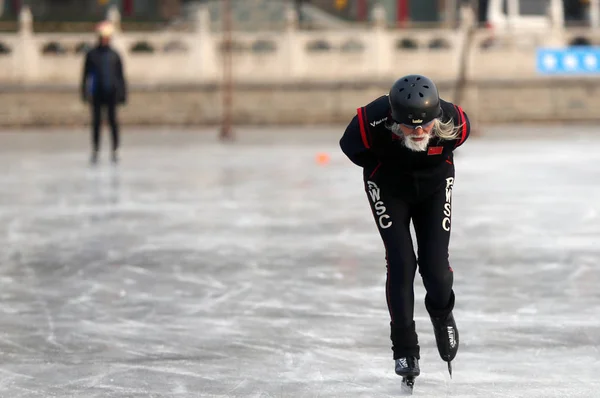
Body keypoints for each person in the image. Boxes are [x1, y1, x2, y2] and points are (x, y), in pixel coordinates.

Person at [339, 74, 470, 385]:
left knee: (435, 269)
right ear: (395, 120)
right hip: (389, 189)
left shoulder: (456, 122)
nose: (420, 131)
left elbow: (457, 141)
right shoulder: (369, 122)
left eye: (426, 124)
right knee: (401, 263)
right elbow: (350, 148)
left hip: (435, 188)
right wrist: (383, 169)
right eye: (411, 127)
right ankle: (405, 349)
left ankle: (440, 312)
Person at [81, 21, 127, 165]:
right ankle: (95, 150)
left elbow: (120, 76)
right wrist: (84, 92)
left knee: (113, 121)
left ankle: (115, 149)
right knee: (96, 123)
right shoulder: (92, 55)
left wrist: (123, 93)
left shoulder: (115, 55)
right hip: (97, 93)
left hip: (111, 92)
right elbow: (85, 76)